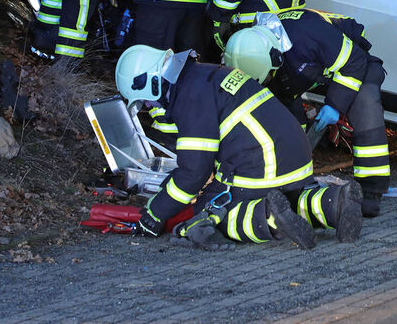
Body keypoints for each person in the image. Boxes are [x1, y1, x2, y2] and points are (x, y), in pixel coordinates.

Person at [115, 44, 363, 249]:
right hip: (295, 157)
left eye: (145, 101)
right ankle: (333, 203)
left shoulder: (189, 99)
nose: (149, 106)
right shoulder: (204, 75)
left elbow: (194, 173)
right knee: (286, 198)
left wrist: (155, 213)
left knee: (210, 212)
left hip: (265, 163)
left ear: (151, 83)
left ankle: (269, 218)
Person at [223, 10, 390, 217]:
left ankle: (371, 191)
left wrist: (335, 105)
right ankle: (293, 183)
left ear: (274, 57)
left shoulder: (308, 34)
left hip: (354, 61)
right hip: (312, 67)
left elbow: (354, 62)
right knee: (283, 117)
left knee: (365, 103)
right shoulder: (251, 49)